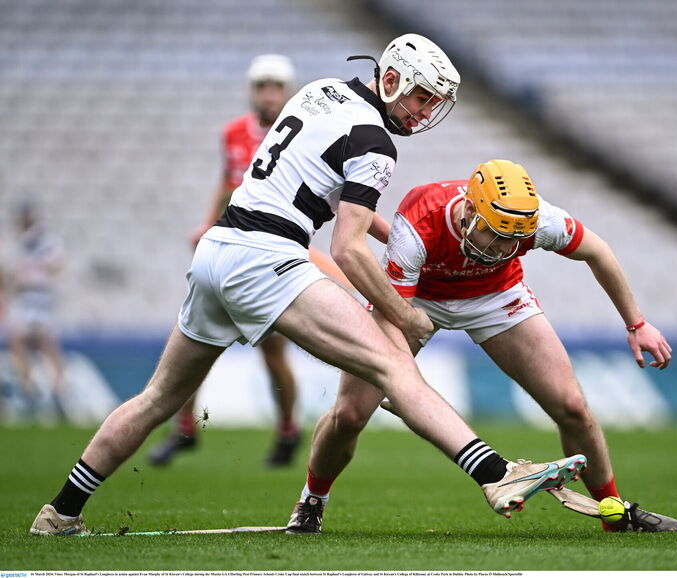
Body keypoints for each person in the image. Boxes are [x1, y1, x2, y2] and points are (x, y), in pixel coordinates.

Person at [30, 34, 586, 537]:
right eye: (420, 98)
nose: (423, 113)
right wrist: (405, 314)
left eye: (432, 103)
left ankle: (61, 511)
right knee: (394, 364)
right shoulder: (376, 143)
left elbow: (326, 192)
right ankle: (496, 474)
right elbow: (347, 248)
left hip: (218, 250)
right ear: (391, 79)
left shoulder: (320, 91)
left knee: (157, 399)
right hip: (267, 256)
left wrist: (400, 234)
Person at [285, 159, 677, 534]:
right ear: (469, 212)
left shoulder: (538, 219)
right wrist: (406, 386)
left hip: (496, 296)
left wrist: (636, 324)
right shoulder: (419, 223)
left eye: (512, 240)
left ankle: (613, 511)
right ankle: (311, 501)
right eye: (492, 234)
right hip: (414, 300)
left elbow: (597, 251)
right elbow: (396, 312)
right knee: (350, 414)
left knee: (571, 406)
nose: (499, 248)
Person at [148, 54, 352, 468]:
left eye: (276, 87)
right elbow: (228, 184)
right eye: (262, 87)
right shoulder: (234, 134)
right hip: (233, 245)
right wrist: (207, 223)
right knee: (197, 342)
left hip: (272, 254)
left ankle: (288, 429)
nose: (269, 95)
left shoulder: (302, 132)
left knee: (272, 353)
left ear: (288, 92)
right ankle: (185, 427)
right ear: (251, 91)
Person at [5, 201, 68, 419]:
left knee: (47, 345)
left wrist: (34, 267)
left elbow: (57, 265)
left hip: (40, 297)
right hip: (25, 297)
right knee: (19, 343)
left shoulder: (46, 241)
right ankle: (29, 389)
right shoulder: (21, 243)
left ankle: (58, 392)